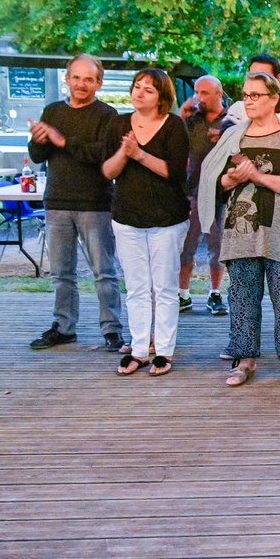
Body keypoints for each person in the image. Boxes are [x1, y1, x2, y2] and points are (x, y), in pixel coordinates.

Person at [199, 71, 280, 388]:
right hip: (240, 231)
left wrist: (257, 177)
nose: (249, 101)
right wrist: (232, 179)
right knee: (242, 299)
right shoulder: (233, 136)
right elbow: (215, 180)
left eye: (256, 95)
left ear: (274, 98)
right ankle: (245, 361)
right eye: (245, 95)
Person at [27, 54, 124, 352]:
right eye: (77, 77)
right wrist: (38, 139)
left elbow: (103, 155)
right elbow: (38, 156)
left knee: (103, 272)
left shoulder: (108, 115)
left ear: (99, 83)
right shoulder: (53, 111)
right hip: (57, 202)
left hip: (95, 203)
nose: (81, 84)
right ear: (66, 79)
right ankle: (64, 327)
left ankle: (111, 329)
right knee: (61, 273)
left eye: (88, 79)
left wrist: (63, 141)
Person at [102, 69, 190, 376]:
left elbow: (175, 173)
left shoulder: (174, 125)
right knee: (136, 287)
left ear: (162, 97)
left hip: (167, 218)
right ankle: (138, 350)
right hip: (127, 217)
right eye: (136, 87)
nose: (139, 93)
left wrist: (139, 154)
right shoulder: (118, 124)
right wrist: (125, 153)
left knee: (164, 287)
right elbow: (108, 171)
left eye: (148, 90)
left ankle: (163, 351)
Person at [177, 75, 230, 316]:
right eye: (197, 92)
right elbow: (173, 142)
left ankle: (214, 293)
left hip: (222, 193)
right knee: (186, 246)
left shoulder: (231, 121)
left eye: (205, 93)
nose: (199, 97)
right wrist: (181, 115)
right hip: (194, 191)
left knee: (217, 247)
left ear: (219, 94)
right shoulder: (191, 120)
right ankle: (183, 294)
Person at [222, 54, 280, 130]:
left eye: (262, 77)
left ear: (278, 79)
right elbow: (227, 135)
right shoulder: (238, 108)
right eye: (252, 76)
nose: (255, 81)